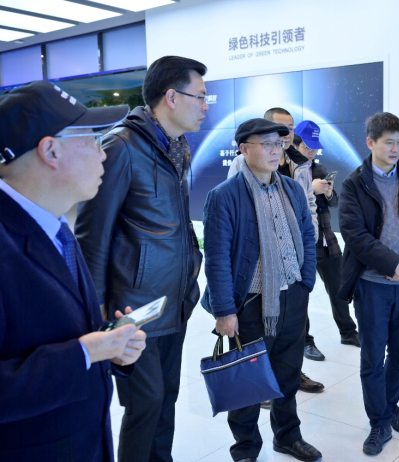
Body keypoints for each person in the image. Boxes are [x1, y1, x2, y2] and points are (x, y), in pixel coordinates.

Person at [0, 81, 146, 460]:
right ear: (51, 150)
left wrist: (108, 348)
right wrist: (83, 353)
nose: (104, 154)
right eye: (95, 140)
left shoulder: (55, 225)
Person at [75, 56, 206, 461]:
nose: (205, 106)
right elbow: (92, 233)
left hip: (174, 300)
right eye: (200, 97)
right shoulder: (122, 146)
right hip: (134, 308)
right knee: (145, 404)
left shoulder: (177, 146)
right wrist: (97, 306)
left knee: (166, 398)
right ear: (172, 97)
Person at [203, 118, 322, 462]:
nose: (274, 151)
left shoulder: (291, 188)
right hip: (253, 304)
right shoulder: (224, 196)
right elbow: (217, 259)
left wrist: (306, 281)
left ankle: (287, 437)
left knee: (288, 374)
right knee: (248, 381)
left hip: (292, 296)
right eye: (266, 144)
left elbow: (307, 236)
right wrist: (224, 311)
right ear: (244, 149)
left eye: (278, 144)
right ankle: (245, 449)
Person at [338, 112, 399, 455]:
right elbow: (354, 234)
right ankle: (379, 422)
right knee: (372, 359)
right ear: (371, 143)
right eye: (388, 142)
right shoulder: (354, 184)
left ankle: (390, 404)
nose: (395, 149)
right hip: (372, 287)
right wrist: (392, 264)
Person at [229, 109, 324, 394]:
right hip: (256, 280)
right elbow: (226, 243)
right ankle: (260, 389)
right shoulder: (236, 175)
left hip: (292, 275)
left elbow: (308, 209)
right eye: (272, 137)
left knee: (289, 354)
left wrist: (306, 278)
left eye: (289, 129)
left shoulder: (299, 165)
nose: (284, 138)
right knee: (254, 360)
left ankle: (289, 382)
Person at [293, 123, 360, 347]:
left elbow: (335, 202)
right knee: (301, 295)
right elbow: (289, 208)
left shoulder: (320, 169)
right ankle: (305, 341)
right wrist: (309, 190)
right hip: (302, 243)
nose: (311, 152)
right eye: (306, 148)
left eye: (314, 148)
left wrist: (329, 193)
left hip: (326, 240)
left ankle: (348, 332)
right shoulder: (288, 172)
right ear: (295, 145)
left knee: (340, 288)